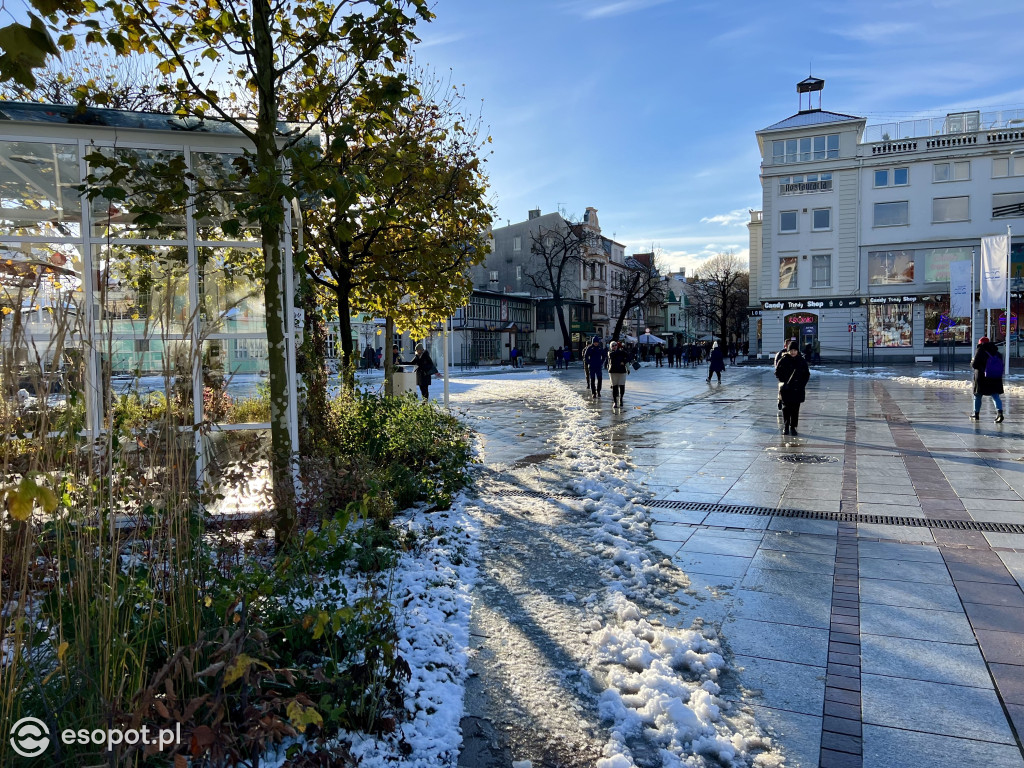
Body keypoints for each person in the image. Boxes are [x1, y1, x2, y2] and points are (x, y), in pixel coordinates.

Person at [775, 340, 810, 436]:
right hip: (787, 388)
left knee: (795, 409)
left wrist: (802, 384)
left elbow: (806, 374)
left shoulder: (801, 361)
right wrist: (784, 381)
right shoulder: (783, 360)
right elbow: (777, 372)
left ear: (797, 351)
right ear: (788, 350)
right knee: (786, 408)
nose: (793, 352)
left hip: (797, 389)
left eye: (795, 350)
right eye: (791, 350)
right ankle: (786, 426)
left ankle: (793, 427)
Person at [970, 336, 1005, 423]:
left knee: (977, 396)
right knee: (995, 396)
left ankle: (976, 414)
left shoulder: (980, 350)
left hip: (982, 378)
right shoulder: (996, 352)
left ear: (980, 343)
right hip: (995, 378)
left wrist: (972, 362)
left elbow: (975, 365)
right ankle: (999, 413)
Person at [607, 340, 631, 410]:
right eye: (613, 346)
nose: (614, 347)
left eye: (615, 345)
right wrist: (621, 353)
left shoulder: (622, 352)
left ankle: (621, 399)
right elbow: (612, 356)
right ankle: (615, 402)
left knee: (622, 386)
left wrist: (628, 368)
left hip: (622, 371)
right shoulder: (610, 353)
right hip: (613, 372)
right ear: (611, 347)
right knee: (614, 387)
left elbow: (627, 359)